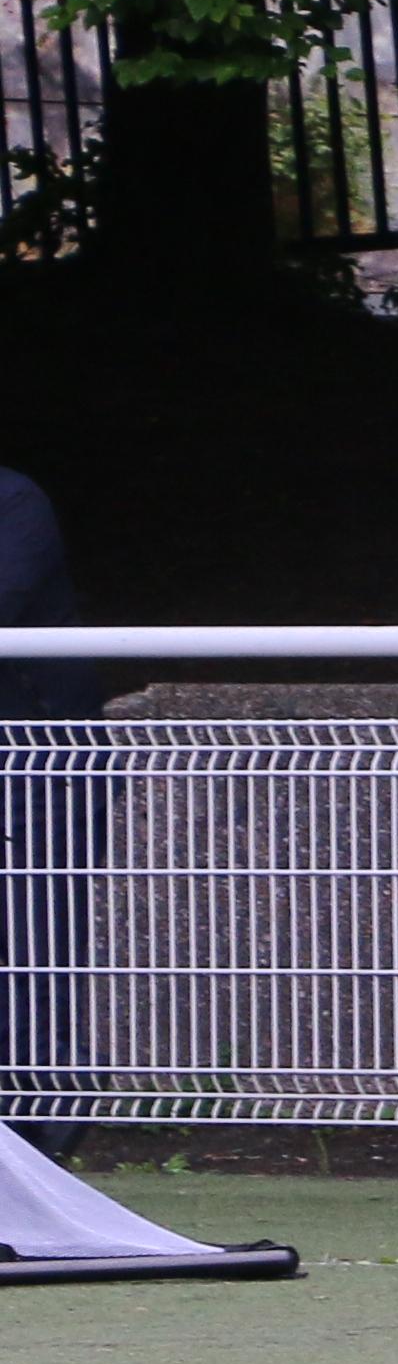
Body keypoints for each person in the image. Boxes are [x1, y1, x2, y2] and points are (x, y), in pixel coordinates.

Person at [0, 464, 107, 1153]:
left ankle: (38, 1129)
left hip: (41, 766)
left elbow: (6, 598)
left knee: (33, 950)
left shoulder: (12, 499)